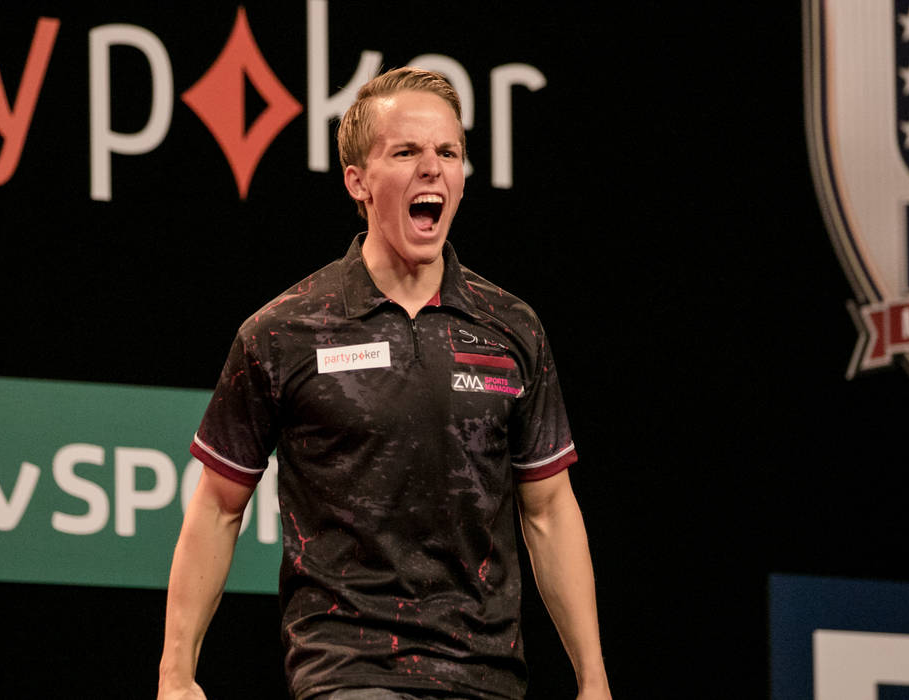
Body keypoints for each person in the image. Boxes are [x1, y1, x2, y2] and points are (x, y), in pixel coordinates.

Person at [157, 67, 613, 700]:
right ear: (358, 182)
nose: (432, 167)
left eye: (448, 152)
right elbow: (216, 505)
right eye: (406, 152)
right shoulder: (283, 331)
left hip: (487, 677)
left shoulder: (512, 328)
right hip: (349, 669)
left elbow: (550, 510)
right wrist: (176, 675)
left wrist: (594, 680)